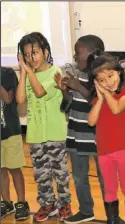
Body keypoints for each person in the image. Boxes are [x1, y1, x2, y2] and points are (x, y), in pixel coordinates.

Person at [16, 32, 72, 222]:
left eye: (35, 53)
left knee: (60, 172)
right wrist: (23, 72)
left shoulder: (55, 72)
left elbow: (39, 92)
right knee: (41, 174)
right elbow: (20, 99)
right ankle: (48, 203)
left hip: (55, 134)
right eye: (27, 55)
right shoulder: (28, 73)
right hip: (35, 134)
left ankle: (64, 203)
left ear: (46, 52)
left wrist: (29, 71)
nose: (31, 58)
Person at [54, 35, 106, 224]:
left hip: (98, 137)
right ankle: (86, 211)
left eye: (78, 52)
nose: (75, 56)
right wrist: (64, 90)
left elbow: (100, 103)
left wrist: (79, 87)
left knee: (105, 179)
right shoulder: (74, 73)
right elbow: (67, 105)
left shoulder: (103, 76)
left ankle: (112, 215)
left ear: (92, 53)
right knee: (79, 177)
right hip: (76, 135)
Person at [87, 52, 125, 224]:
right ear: (96, 83)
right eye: (102, 80)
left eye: (111, 75)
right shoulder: (99, 99)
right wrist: (100, 98)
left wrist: (106, 93)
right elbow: (91, 121)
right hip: (104, 152)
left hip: (124, 150)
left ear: (119, 73)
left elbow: (116, 109)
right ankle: (112, 220)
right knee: (109, 189)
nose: (108, 82)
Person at [0, 66, 29, 221]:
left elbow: (8, 99)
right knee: (1, 170)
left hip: (10, 131)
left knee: (14, 168)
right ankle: (6, 202)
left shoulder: (7, 73)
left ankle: (21, 202)